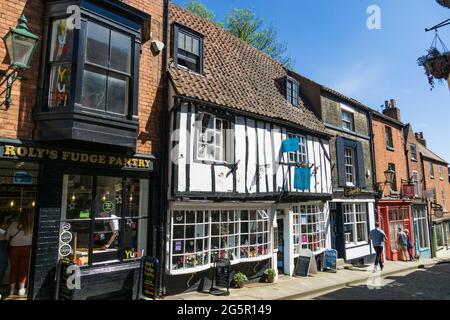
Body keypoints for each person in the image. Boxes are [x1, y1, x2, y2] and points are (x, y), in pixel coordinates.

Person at [6, 210, 33, 297]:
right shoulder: (31, 225)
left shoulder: (13, 224)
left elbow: (6, 237)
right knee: (23, 269)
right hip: (27, 249)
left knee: (14, 269)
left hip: (14, 249)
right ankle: (21, 289)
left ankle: (12, 290)